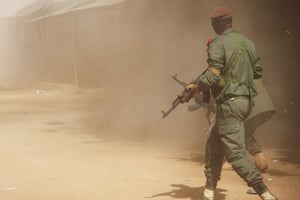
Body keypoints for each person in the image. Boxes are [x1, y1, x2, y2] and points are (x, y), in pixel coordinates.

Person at [180, 6, 278, 200]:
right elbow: (257, 72)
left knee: (235, 154)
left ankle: (265, 193)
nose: (212, 26)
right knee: (214, 146)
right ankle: (209, 190)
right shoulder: (248, 43)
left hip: (230, 103)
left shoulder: (218, 43)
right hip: (245, 102)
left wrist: (193, 88)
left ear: (218, 23)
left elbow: (212, 76)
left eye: (213, 23)